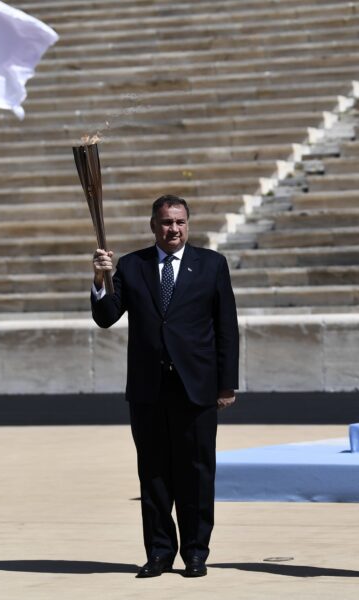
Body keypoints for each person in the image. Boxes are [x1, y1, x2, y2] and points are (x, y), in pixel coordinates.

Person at [91, 195, 240, 580]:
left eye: (179, 222)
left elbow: (226, 329)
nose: (172, 229)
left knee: (196, 472)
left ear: (187, 224)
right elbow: (106, 317)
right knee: (154, 474)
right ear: (152, 225)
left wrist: (226, 385)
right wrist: (100, 280)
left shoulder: (211, 265)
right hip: (148, 388)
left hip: (197, 387)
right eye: (165, 222)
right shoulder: (132, 265)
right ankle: (159, 552)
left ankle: (195, 552)